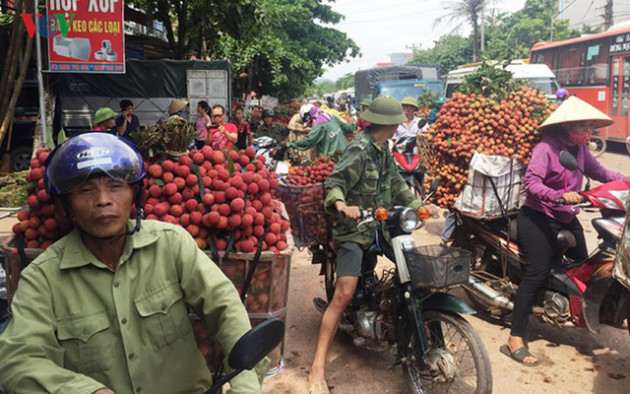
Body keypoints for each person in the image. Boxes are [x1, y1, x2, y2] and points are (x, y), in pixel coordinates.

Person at [0, 133, 264, 393]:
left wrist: (245, 385)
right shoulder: (42, 278)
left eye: (115, 186)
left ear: (135, 197)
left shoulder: (171, 245)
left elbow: (225, 307)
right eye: (85, 190)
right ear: (66, 207)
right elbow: (19, 360)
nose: (103, 199)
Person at [501, 96, 629, 367]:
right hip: (538, 217)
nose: (588, 131)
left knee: (585, 267)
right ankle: (514, 339)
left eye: (590, 126)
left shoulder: (580, 149)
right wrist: (558, 195)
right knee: (536, 272)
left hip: (568, 217)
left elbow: (602, 173)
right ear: (567, 125)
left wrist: (626, 180)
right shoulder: (546, 148)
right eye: (583, 125)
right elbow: (532, 182)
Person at [307, 96, 423, 394]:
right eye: (399, 119)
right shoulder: (359, 149)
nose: (401, 124)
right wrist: (343, 204)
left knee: (415, 270)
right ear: (390, 123)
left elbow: (396, 183)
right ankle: (317, 367)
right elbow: (334, 182)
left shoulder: (383, 149)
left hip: (380, 226)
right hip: (352, 230)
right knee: (344, 293)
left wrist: (416, 203)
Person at [288, 104, 356, 157]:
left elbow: (308, 142)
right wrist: (355, 126)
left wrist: (290, 144)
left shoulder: (318, 126)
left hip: (332, 158)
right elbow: (346, 127)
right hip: (345, 152)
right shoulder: (331, 116)